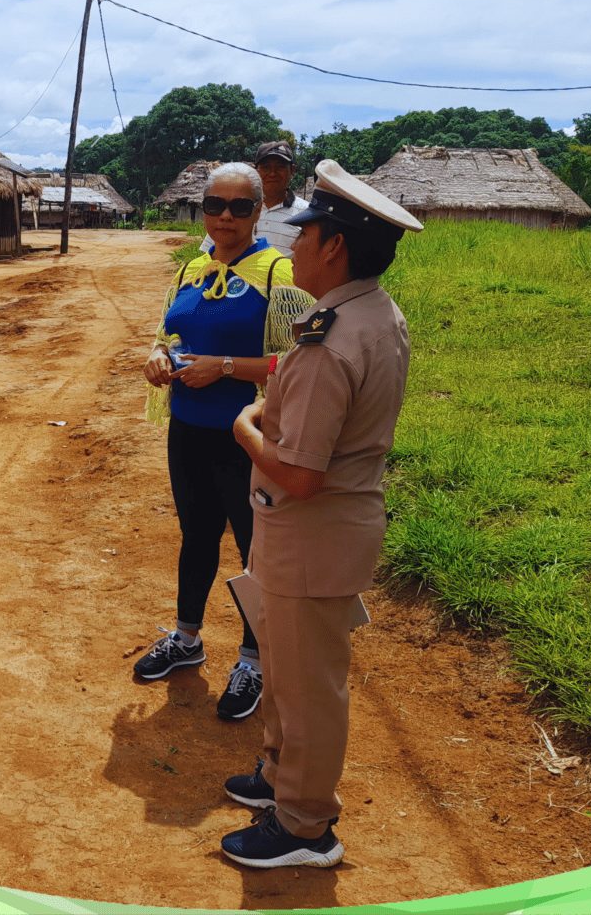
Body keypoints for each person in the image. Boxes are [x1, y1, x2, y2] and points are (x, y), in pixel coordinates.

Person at [220, 159, 421, 868]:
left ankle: (306, 826)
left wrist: (245, 428)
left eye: (303, 232)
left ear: (333, 246)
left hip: (312, 530)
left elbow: (302, 474)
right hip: (312, 534)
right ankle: (279, 778)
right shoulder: (367, 312)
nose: (293, 243)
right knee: (284, 667)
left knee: (308, 687)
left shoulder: (334, 337)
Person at [138, 162, 300, 722]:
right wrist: (158, 357)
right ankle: (187, 637)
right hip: (188, 428)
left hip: (248, 437)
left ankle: (255, 659)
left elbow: (294, 362)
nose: (225, 217)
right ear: (201, 210)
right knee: (196, 535)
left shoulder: (280, 272)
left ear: (259, 211)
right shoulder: (192, 266)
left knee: (255, 551)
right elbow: (170, 334)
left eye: (238, 206)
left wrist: (226, 367)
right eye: (214, 205)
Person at [199, 141, 306, 256]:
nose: (272, 173)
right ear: (256, 171)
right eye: (266, 167)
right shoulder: (238, 208)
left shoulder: (306, 214)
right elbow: (209, 255)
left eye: (280, 167)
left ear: (292, 170)